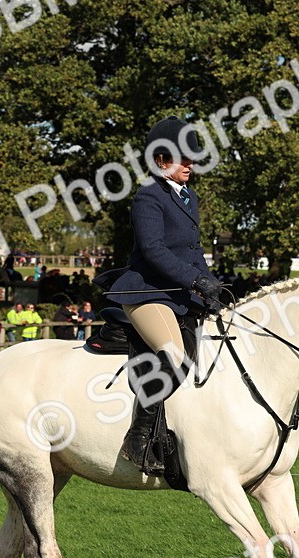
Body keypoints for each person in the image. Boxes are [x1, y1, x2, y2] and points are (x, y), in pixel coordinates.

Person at [92, 115, 222, 472]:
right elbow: (154, 250)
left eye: (192, 158)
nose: (190, 164)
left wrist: (212, 284)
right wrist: (195, 281)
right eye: (183, 158)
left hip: (178, 293)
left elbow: (193, 250)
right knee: (175, 354)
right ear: (161, 160)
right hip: (146, 293)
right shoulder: (148, 196)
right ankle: (138, 437)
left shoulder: (188, 196)